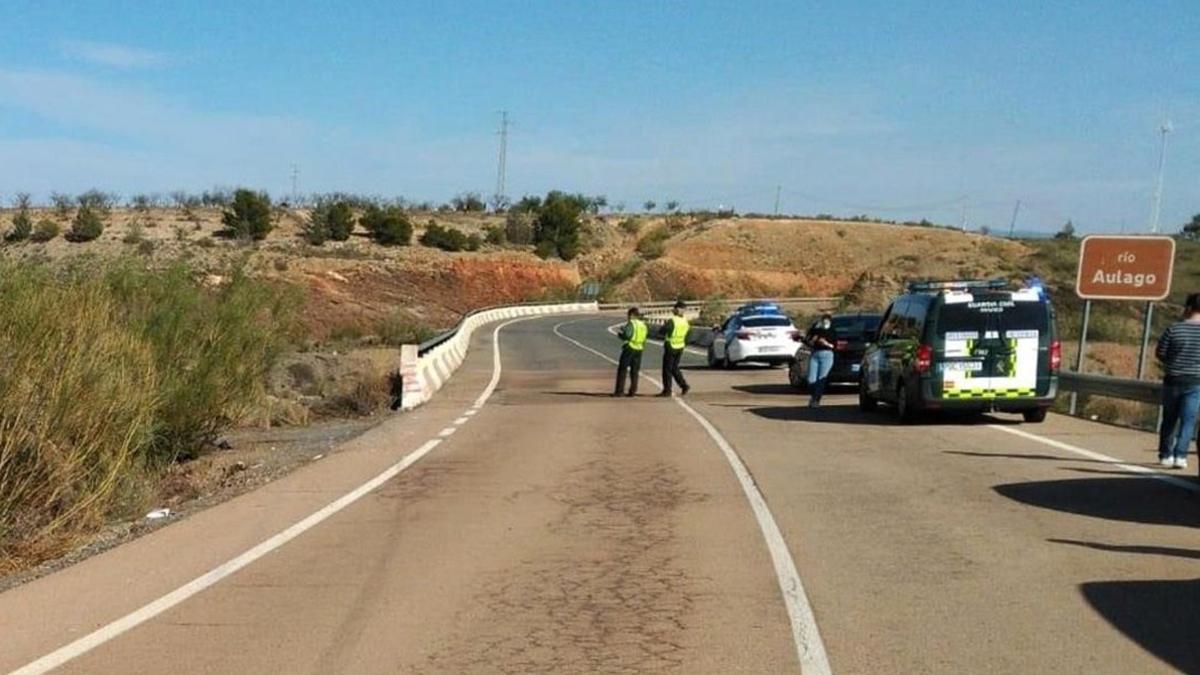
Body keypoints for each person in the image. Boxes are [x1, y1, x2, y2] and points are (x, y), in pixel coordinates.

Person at [1155, 292, 1200, 470]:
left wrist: (1172, 363)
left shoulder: (1174, 329)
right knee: (1188, 420)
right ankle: (1180, 456)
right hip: (1196, 381)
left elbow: (1160, 352)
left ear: (1188, 308)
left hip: (1173, 379)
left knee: (1169, 419)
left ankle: (1165, 455)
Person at [658, 300, 691, 397]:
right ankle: (684, 385)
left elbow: (662, 331)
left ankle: (667, 390)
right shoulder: (685, 321)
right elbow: (688, 333)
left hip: (671, 346)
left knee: (667, 369)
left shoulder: (673, 321)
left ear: (677, 309)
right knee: (675, 368)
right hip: (680, 346)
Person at [614, 307, 648, 397]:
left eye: (628, 315)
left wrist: (620, 335)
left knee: (622, 369)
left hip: (630, 347)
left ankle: (619, 391)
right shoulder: (643, 325)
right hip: (639, 348)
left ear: (632, 315)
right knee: (635, 371)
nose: (628, 317)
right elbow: (644, 338)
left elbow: (627, 335)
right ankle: (633, 391)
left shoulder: (631, 324)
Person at [805, 313, 837, 408]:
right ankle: (813, 396)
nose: (825, 323)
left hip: (827, 355)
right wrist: (812, 340)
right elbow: (808, 340)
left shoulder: (833, 331)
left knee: (821, 379)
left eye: (827, 321)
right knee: (811, 379)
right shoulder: (816, 330)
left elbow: (834, 346)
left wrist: (826, 343)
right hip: (815, 354)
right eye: (824, 320)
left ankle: (816, 400)